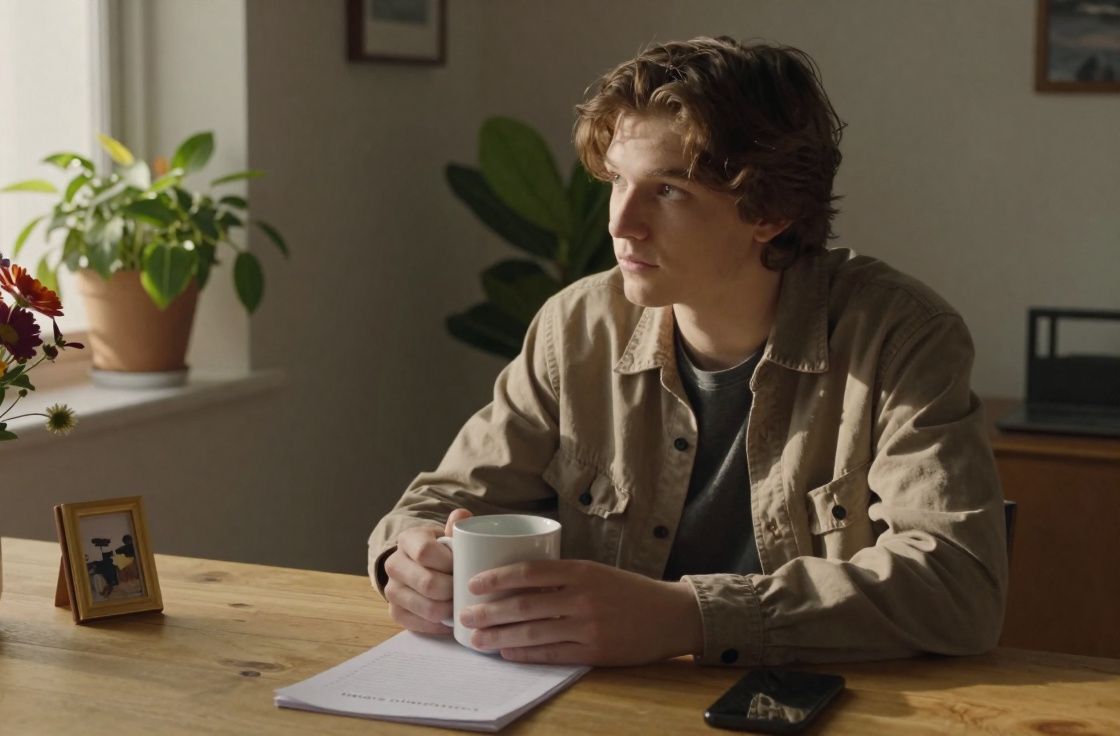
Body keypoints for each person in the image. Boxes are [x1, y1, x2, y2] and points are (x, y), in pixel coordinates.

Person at [367, 36, 1007, 667]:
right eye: (617, 180)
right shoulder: (578, 325)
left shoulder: (899, 335)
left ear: (772, 211)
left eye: (668, 191)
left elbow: (958, 583)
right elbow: (440, 503)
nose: (620, 222)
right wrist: (408, 558)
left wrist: (688, 618)